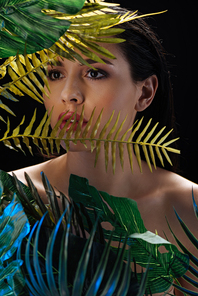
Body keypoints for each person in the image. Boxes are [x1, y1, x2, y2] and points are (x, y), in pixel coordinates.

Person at [8, 6, 198, 295]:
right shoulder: (9, 198)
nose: (69, 93)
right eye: (55, 73)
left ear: (145, 92)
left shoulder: (190, 210)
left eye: (95, 73)